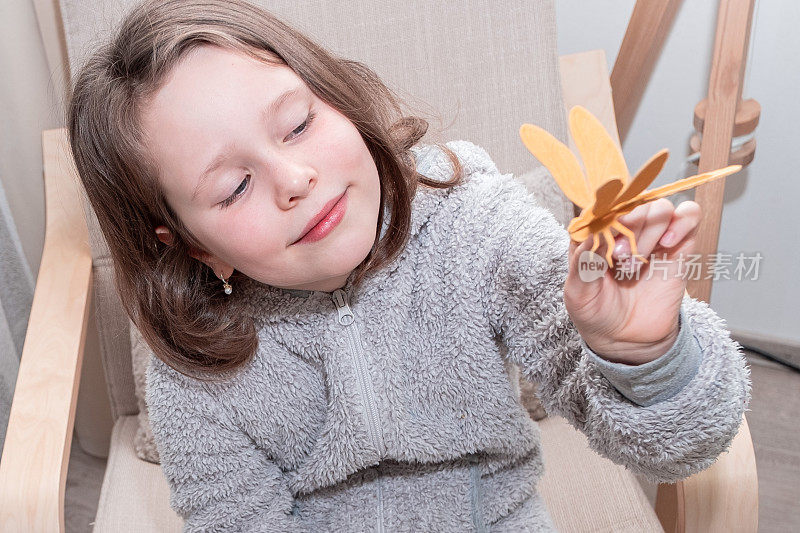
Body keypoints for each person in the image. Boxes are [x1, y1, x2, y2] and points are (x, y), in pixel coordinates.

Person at [66, 0, 752, 531]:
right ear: (192, 245)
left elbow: (680, 445)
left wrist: (646, 355)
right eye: (233, 187)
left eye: (299, 123)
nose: (294, 177)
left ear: (335, 97)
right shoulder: (195, 373)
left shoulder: (477, 226)